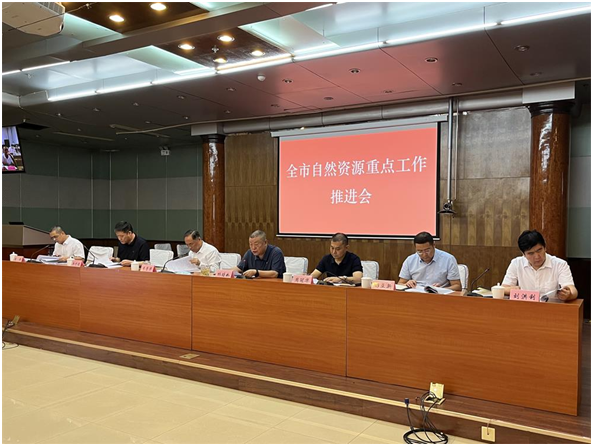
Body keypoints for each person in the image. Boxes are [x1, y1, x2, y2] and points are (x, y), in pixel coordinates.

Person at [502, 230, 578, 302]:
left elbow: (573, 290)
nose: (537, 256)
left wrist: (568, 294)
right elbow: (503, 289)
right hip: (525, 307)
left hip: (551, 308)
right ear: (523, 254)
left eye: (539, 250)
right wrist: (511, 290)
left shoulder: (560, 264)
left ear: (545, 247)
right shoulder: (516, 263)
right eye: (531, 253)